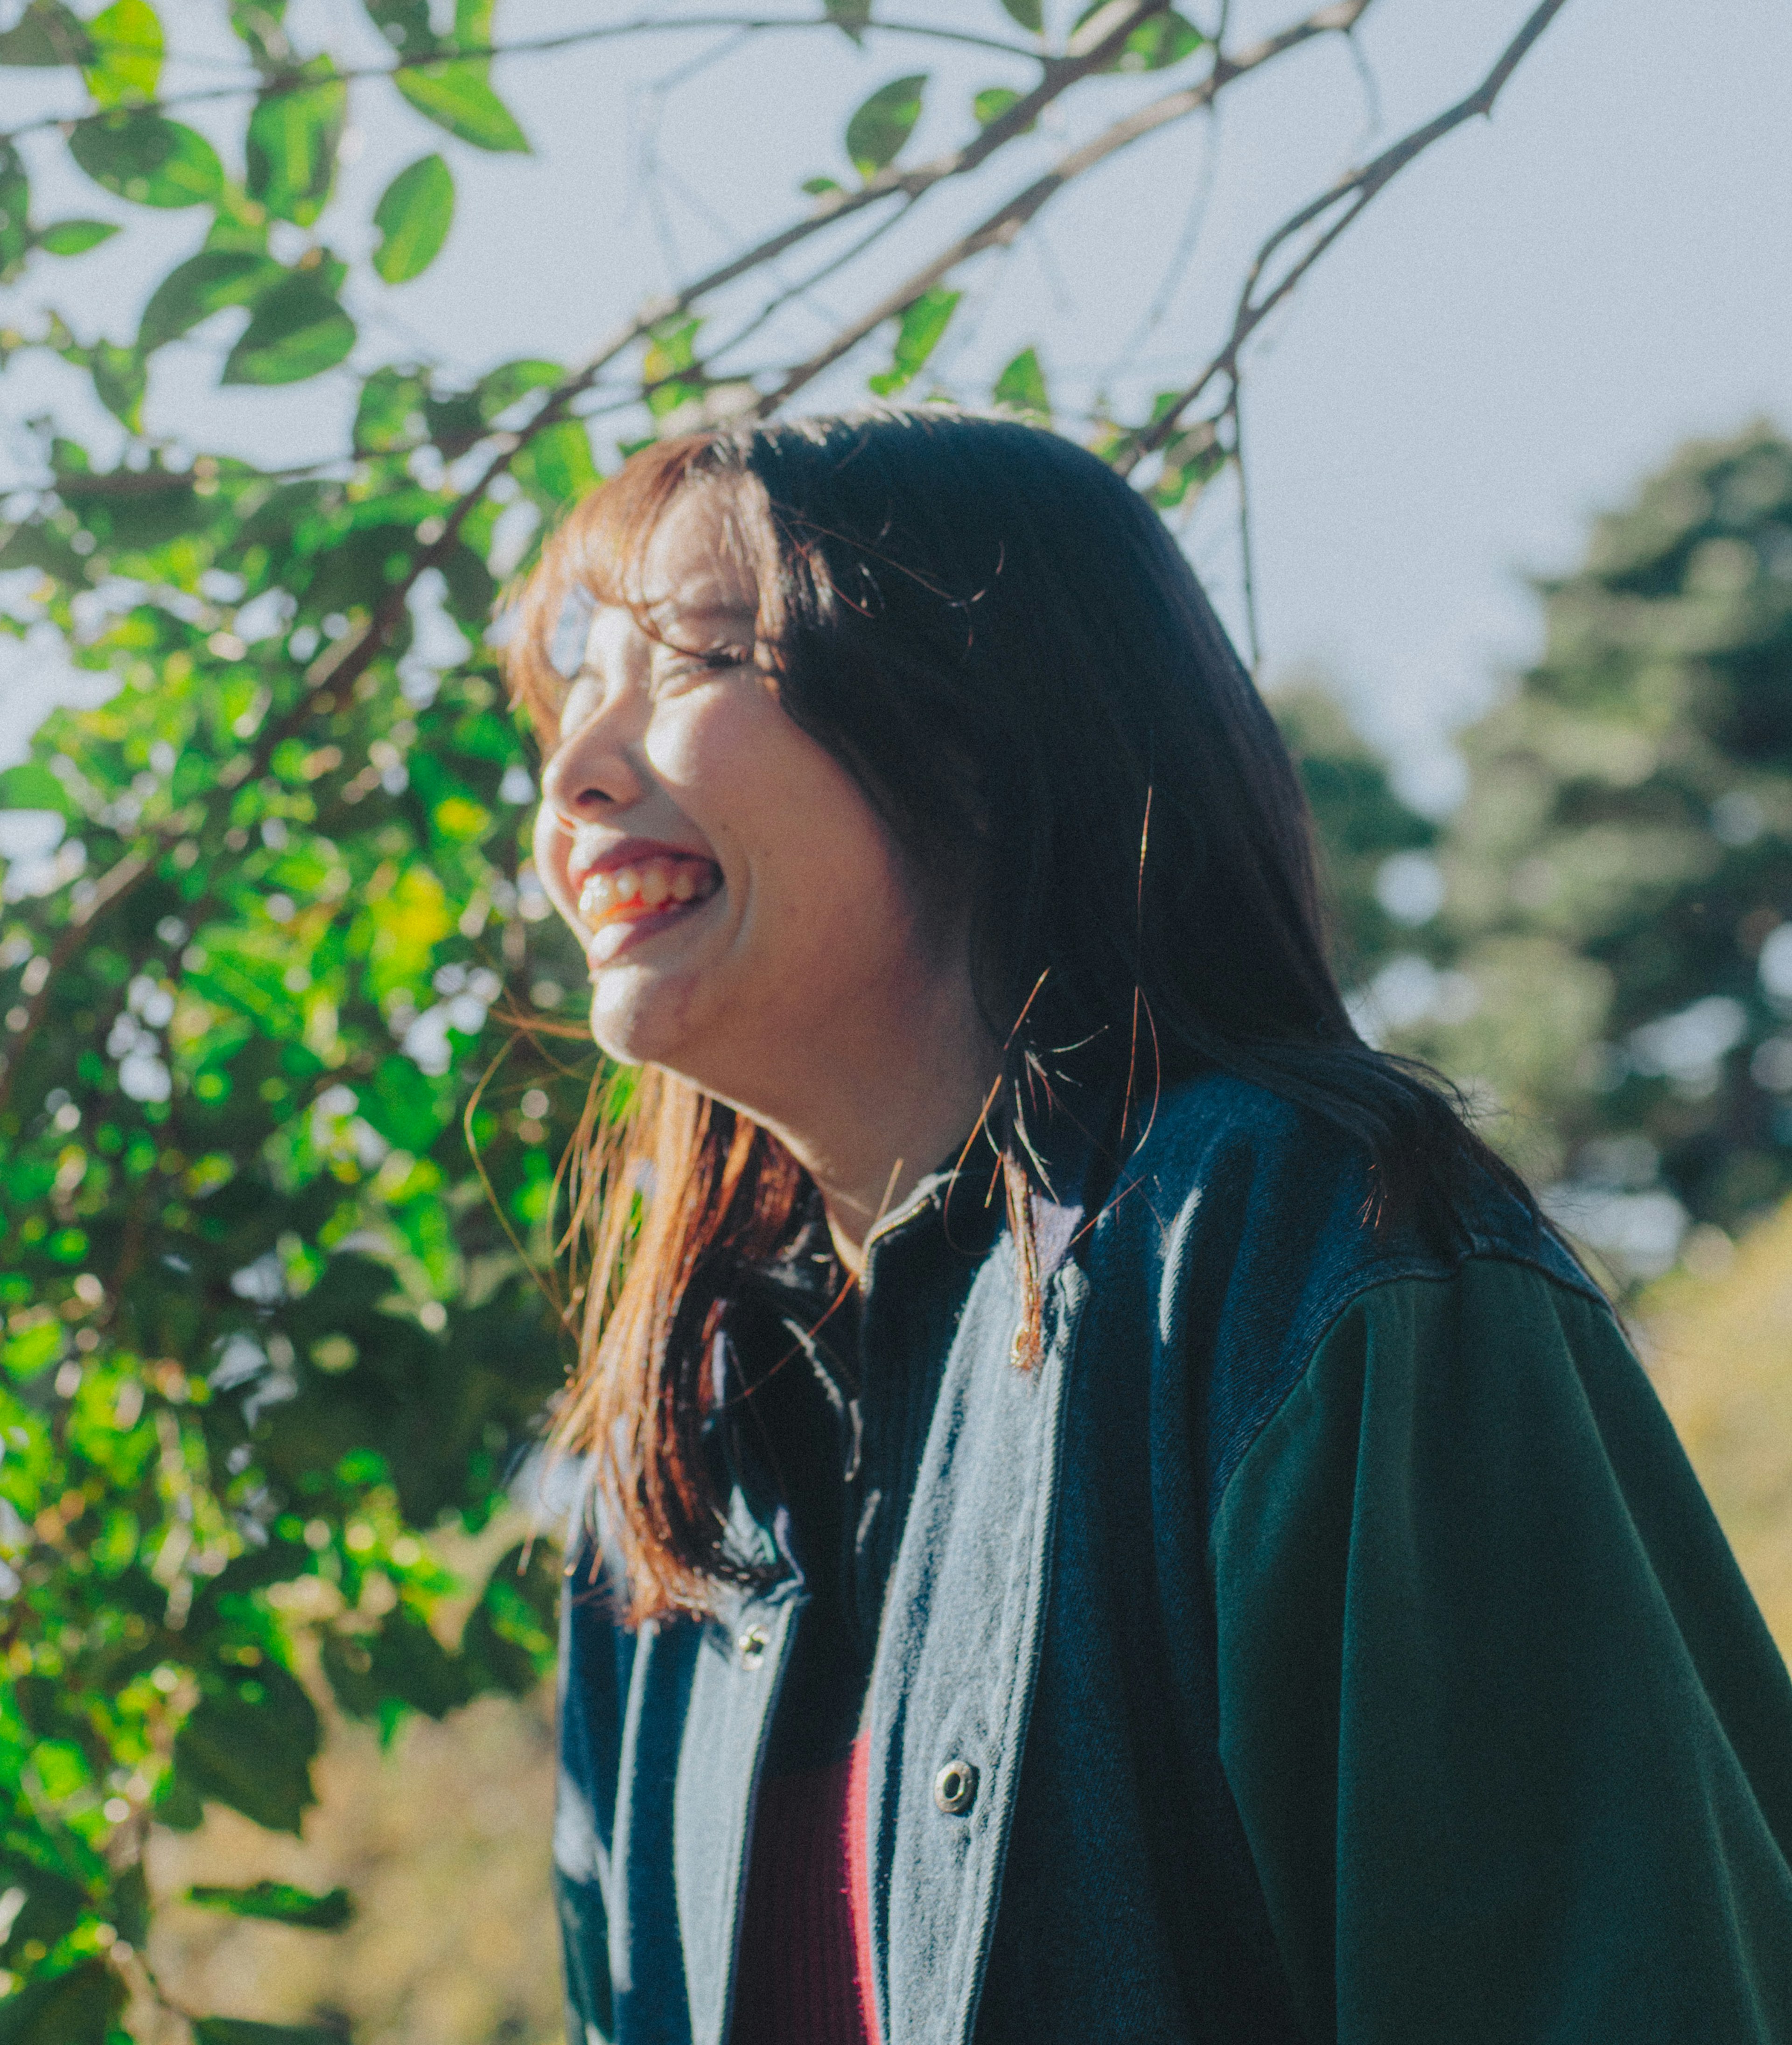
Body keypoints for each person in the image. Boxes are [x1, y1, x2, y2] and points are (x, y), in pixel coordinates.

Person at [510, 410, 1792, 2045]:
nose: (576, 772)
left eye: (692, 658)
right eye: (576, 685)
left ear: (977, 727)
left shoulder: (1309, 1254)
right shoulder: (675, 1476)